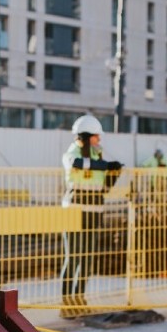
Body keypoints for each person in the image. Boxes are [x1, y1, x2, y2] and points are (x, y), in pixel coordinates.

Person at [60, 114, 122, 318]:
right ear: (86, 136)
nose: (100, 140)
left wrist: (114, 173)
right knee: (73, 256)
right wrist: (106, 166)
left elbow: (103, 187)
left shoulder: (98, 155)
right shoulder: (72, 152)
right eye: (96, 136)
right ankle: (67, 303)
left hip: (94, 212)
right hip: (74, 213)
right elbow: (77, 163)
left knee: (86, 259)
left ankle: (79, 299)